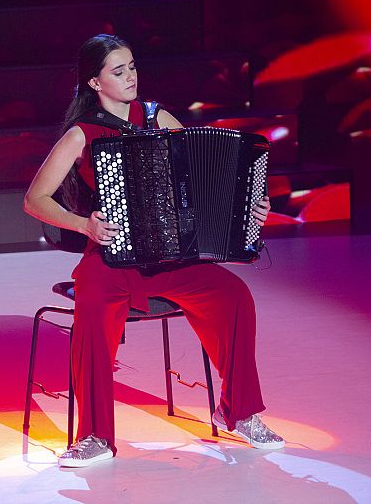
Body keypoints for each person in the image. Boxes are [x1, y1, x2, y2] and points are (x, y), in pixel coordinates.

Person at [24, 34, 284, 468]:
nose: (130, 77)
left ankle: (238, 411)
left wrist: (247, 209)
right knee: (92, 313)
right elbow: (36, 200)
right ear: (94, 82)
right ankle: (94, 435)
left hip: (172, 257)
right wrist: (83, 223)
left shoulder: (157, 116)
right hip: (111, 258)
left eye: (132, 67)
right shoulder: (83, 133)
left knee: (233, 294)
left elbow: (203, 182)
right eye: (118, 71)